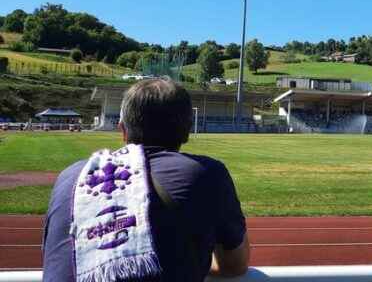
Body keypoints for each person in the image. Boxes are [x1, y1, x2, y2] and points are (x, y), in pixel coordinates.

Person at [43, 79, 250, 281]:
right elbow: (234, 265)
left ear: (122, 130)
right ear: (187, 131)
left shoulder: (70, 177)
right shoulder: (207, 173)